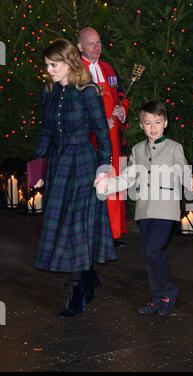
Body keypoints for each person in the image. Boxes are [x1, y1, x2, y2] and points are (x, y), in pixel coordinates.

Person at [33, 38, 117, 317]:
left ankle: (76, 289)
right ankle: (87, 275)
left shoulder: (87, 91)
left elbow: (101, 132)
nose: (49, 70)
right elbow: (46, 131)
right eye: (46, 65)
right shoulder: (49, 92)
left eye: (53, 65)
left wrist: (104, 168)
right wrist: (38, 166)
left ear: (69, 62)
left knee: (77, 224)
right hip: (59, 163)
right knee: (63, 222)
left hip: (83, 162)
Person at [96, 101, 191, 316]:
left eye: (157, 122)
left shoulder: (175, 148)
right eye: (148, 123)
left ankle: (169, 289)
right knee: (148, 257)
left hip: (166, 209)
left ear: (165, 123)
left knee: (152, 250)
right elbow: (128, 177)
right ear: (141, 125)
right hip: (144, 209)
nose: (153, 127)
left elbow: (184, 173)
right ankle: (157, 298)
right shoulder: (137, 150)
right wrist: (107, 185)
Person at [77, 27, 129, 248]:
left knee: (113, 180)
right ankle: (95, 234)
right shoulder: (75, 72)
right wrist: (96, 124)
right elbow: (74, 110)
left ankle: (113, 233)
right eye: (91, 44)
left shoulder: (108, 68)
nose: (97, 48)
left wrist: (122, 110)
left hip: (113, 139)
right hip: (91, 141)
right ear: (80, 47)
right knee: (96, 183)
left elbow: (121, 96)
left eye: (99, 43)